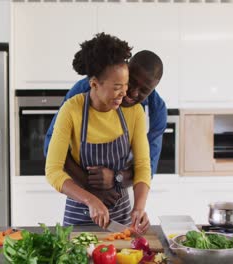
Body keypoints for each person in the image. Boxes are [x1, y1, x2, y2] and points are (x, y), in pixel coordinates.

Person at [45, 33, 151, 233]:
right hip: (79, 216)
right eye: (117, 87)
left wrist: (139, 208)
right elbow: (53, 171)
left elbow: (143, 165)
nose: (124, 93)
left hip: (121, 218)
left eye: (126, 85)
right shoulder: (72, 110)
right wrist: (90, 199)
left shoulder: (134, 112)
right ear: (94, 84)